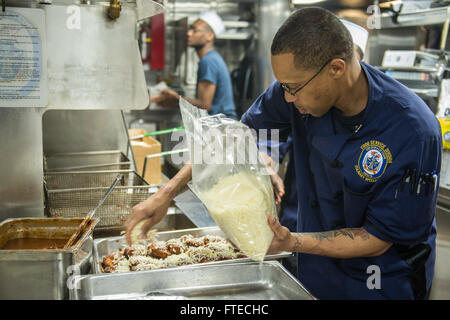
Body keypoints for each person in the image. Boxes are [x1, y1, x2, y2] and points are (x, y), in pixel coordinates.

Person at [125, 8, 442, 300]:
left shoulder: (411, 130)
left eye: (293, 87)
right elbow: (235, 137)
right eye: (283, 86)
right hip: (316, 271)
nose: (287, 98)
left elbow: (378, 237)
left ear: (336, 68)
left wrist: (292, 242)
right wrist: (166, 193)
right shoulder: (294, 91)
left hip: (380, 282)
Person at [151, 11, 237, 119]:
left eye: (195, 30)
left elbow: (205, 105)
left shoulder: (208, 61)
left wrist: (176, 99)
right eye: (190, 29)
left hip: (221, 127)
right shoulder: (211, 59)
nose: (188, 33)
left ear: (209, 36)